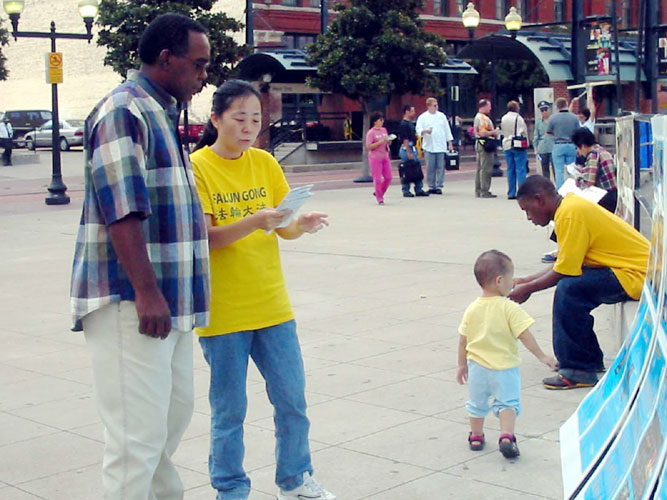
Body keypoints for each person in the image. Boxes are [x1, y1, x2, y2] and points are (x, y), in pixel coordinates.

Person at [70, 14, 211, 499]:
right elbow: (122, 210)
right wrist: (146, 292)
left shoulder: (161, 111)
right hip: (131, 302)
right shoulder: (124, 110)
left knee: (166, 426)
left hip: (168, 304)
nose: (204, 76)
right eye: (198, 64)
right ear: (166, 59)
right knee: (136, 442)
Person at [190, 80, 335, 500]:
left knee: (292, 400)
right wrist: (255, 220)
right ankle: (231, 488)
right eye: (240, 118)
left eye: (256, 119)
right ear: (216, 119)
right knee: (229, 411)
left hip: (272, 305)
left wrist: (300, 224)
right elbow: (207, 238)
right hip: (223, 311)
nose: (249, 127)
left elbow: (282, 225)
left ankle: (295, 478)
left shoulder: (265, 163)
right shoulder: (198, 167)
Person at [509, 176, 650, 389]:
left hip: (637, 274)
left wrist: (527, 288)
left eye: (527, 210)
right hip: (633, 270)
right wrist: (526, 280)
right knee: (573, 287)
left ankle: (578, 370)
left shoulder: (570, 214)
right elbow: (566, 263)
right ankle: (588, 360)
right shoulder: (569, 207)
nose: (529, 217)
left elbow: (564, 271)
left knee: (569, 291)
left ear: (539, 200)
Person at [457, 250, 558, 458]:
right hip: (505, 368)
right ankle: (506, 437)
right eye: (511, 278)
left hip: (477, 368)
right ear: (499, 280)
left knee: (476, 404)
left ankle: (476, 436)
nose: (513, 283)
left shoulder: (472, 308)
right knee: (508, 404)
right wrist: (543, 356)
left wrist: (462, 365)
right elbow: (525, 335)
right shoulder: (509, 308)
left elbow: (463, 340)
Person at [571, 127, 617, 212]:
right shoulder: (600, 150)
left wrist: (577, 179)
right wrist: (583, 170)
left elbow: (588, 182)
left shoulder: (593, 155)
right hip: (612, 194)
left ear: (583, 146)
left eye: (577, 148)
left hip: (604, 197)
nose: (578, 152)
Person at [415, 97, 454, 195]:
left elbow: (447, 130)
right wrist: (424, 131)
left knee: (440, 167)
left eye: (437, 105)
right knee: (430, 167)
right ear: (429, 106)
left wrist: (450, 143)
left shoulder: (441, 116)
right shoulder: (423, 117)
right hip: (429, 145)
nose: (436, 107)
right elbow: (418, 129)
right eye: (434, 105)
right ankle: (431, 186)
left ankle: (439, 185)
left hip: (440, 145)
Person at [547, 97, 580, 190]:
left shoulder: (553, 118)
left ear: (557, 106)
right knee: (571, 170)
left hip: (558, 145)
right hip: (571, 145)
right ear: (566, 104)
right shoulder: (574, 117)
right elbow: (578, 132)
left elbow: (548, 133)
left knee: (559, 171)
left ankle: (560, 190)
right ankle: (572, 190)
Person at [500, 100, 529, 200]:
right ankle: (522, 192)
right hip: (517, 144)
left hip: (507, 144)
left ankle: (511, 192)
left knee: (510, 169)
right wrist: (527, 143)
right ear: (516, 108)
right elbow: (523, 132)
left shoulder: (504, 118)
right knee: (520, 169)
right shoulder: (519, 118)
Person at [398, 104, 429, 197]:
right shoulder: (403, 124)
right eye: (412, 111)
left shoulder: (410, 123)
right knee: (407, 169)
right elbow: (405, 139)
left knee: (416, 168)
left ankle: (418, 188)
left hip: (413, 147)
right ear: (407, 112)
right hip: (407, 148)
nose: (414, 113)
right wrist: (409, 152)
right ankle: (406, 190)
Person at [365, 110, 393, 205]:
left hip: (385, 155)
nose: (382, 121)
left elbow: (386, 142)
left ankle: (379, 191)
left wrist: (388, 142)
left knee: (388, 177)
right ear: (375, 121)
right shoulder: (371, 132)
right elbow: (369, 146)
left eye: (382, 119)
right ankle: (380, 198)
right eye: (380, 120)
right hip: (375, 157)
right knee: (377, 179)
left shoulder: (384, 130)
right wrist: (380, 142)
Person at [473, 99, 499, 198]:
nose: (490, 108)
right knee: (486, 168)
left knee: (480, 168)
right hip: (485, 144)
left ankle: (478, 190)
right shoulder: (483, 119)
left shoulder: (477, 117)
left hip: (479, 143)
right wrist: (494, 132)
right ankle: (484, 190)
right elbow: (482, 133)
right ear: (484, 107)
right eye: (489, 106)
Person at [533, 100, 554, 180]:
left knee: (555, 168)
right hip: (543, 148)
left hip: (553, 147)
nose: (544, 112)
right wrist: (536, 149)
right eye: (542, 110)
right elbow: (536, 136)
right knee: (545, 169)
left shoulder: (553, 121)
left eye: (546, 109)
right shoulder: (538, 123)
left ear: (549, 109)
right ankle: (547, 184)